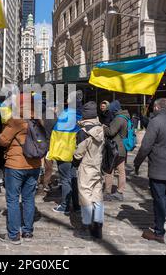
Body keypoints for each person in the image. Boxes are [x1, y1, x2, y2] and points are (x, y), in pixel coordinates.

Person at [134, 98, 166, 243]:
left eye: (154, 107)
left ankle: (159, 231)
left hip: (159, 166)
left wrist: (137, 163)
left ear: (157, 107)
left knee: (159, 199)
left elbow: (145, 146)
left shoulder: (155, 122)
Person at [0, 93, 42, 245]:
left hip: (15, 165)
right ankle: (28, 232)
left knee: (13, 199)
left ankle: (14, 235)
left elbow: (3, 140)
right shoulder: (39, 120)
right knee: (29, 198)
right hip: (35, 164)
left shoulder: (16, 119)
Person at [73, 102, 105, 240]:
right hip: (98, 166)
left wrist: (74, 162)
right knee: (97, 195)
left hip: (86, 166)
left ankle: (86, 225)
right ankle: (97, 226)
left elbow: (78, 154)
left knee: (85, 196)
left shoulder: (83, 132)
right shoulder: (101, 129)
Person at [50, 92, 81, 215]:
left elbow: (56, 136)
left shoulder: (66, 114)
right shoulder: (80, 114)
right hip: (75, 152)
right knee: (73, 178)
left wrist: (52, 153)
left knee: (66, 180)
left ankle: (65, 206)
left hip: (64, 152)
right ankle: (77, 205)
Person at [103, 100, 129, 201]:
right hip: (122, 148)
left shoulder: (118, 119)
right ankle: (120, 192)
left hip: (115, 148)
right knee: (121, 170)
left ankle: (108, 192)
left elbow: (111, 132)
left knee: (109, 169)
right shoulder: (125, 117)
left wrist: (104, 127)